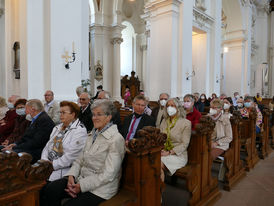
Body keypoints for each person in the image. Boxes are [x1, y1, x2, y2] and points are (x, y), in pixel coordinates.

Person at [40, 100, 126, 206]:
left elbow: (108, 174)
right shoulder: (92, 134)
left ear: (109, 117)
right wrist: (71, 176)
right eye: (93, 114)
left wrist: (81, 186)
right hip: (81, 179)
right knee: (50, 189)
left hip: (101, 189)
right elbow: (79, 160)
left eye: (99, 114)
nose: (94, 117)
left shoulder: (116, 139)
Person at [41, 101, 87, 181]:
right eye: (60, 112)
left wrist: (52, 165)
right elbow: (47, 147)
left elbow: (71, 156)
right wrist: (45, 161)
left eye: (64, 112)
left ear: (73, 115)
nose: (61, 115)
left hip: (64, 169)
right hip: (47, 165)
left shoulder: (80, 130)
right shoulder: (57, 128)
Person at [160, 98, 191, 181]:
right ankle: (155, 190)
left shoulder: (185, 123)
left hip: (178, 155)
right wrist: (161, 149)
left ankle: (157, 191)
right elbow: (160, 138)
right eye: (168, 106)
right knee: (150, 163)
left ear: (178, 108)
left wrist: (169, 152)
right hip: (164, 152)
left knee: (156, 164)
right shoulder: (164, 121)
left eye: (172, 106)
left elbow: (184, 144)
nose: (169, 108)